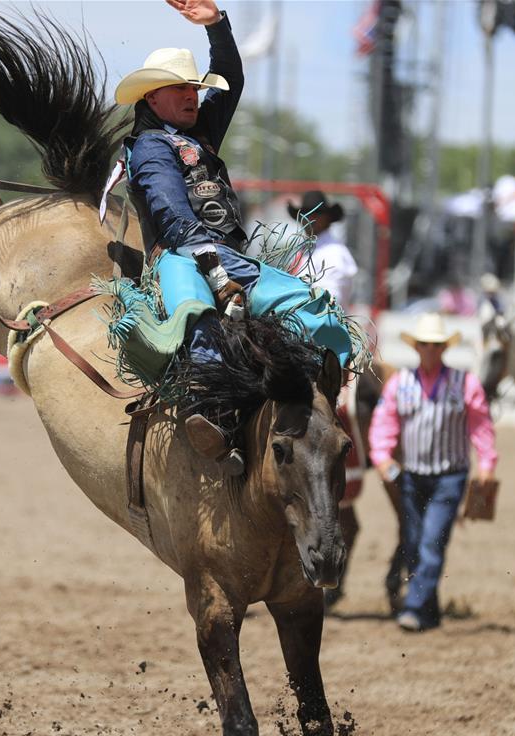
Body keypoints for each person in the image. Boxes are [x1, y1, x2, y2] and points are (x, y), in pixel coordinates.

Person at [114, 0, 355, 476]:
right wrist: (215, 268)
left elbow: (231, 78)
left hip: (231, 255)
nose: (190, 95)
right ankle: (212, 413)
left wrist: (218, 26)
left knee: (305, 304)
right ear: (152, 99)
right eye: (178, 88)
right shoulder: (149, 147)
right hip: (179, 257)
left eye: (192, 88)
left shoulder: (199, 132)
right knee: (196, 314)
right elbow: (171, 212)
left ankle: (311, 397)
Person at [368, 313, 498, 632]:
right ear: (417, 347)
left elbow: (481, 425)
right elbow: (385, 422)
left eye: (435, 345)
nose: (429, 350)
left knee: (431, 541)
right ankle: (430, 610)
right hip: (411, 476)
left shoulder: (465, 383)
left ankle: (413, 606)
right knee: (413, 543)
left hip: (450, 477)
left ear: (443, 348)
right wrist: (382, 457)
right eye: (425, 345)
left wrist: (487, 463)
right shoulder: (401, 383)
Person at [288, 190, 358, 313]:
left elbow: (330, 300)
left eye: (316, 214)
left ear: (327, 218)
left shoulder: (334, 252)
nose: (310, 219)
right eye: (305, 214)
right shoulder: (305, 249)